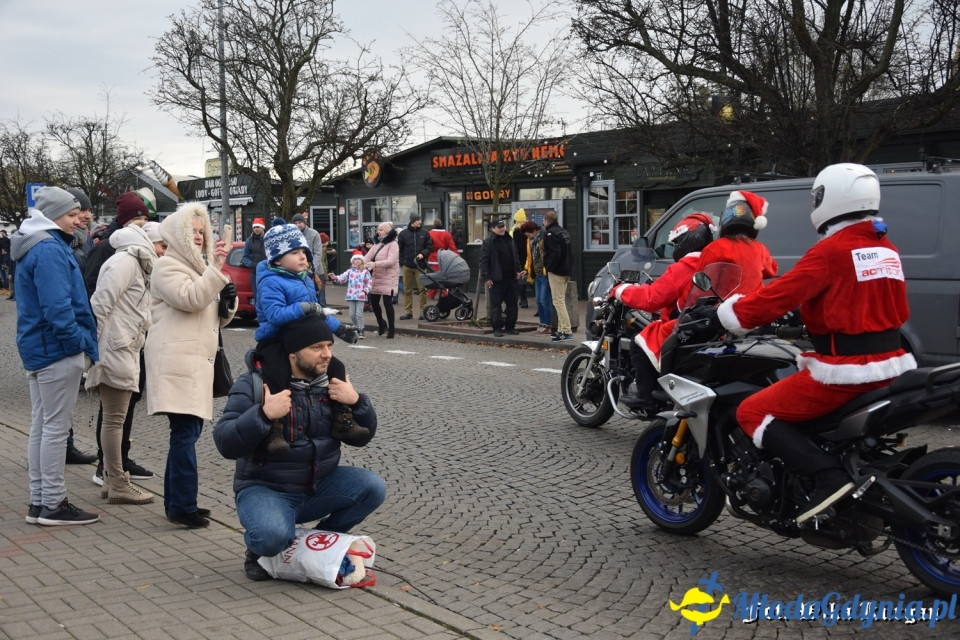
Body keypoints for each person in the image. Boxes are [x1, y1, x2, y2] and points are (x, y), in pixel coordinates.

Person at [713, 163, 916, 523]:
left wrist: (732, 314)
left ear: (828, 199)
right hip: (892, 363)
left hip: (845, 371)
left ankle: (827, 478)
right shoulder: (887, 248)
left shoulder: (831, 251)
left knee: (752, 411)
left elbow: (779, 295)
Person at [213, 315, 385, 582]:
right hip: (267, 489)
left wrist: (358, 402)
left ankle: (319, 538)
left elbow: (363, 437)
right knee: (271, 537)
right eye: (316, 348)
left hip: (318, 486)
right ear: (293, 353)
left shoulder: (332, 383)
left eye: (329, 346)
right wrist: (263, 415)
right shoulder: (255, 385)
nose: (326, 354)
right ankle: (259, 549)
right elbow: (224, 441)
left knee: (372, 487)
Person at [144, 203, 236, 529]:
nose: (198, 237)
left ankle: (179, 502)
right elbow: (191, 299)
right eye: (192, 232)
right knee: (185, 433)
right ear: (178, 235)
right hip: (176, 362)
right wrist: (216, 271)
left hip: (193, 363)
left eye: (201, 232)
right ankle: (182, 506)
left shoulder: (198, 268)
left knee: (187, 432)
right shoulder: (167, 266)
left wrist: (228, 302)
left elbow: (211, 316)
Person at [14, 186, 100, 525]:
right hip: (56, 349)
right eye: (70, 214)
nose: (77, 219)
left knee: (43, 425)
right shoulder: (49, 249)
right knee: (54, 428)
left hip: (41, 347)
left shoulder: (34, 245)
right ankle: (52, 503)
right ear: (51, 216)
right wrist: (78, 341)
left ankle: (40, 501)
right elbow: (57, 308)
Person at [253, 222, 357, 453]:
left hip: (302, 340)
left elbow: (317, 313)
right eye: (295, 252)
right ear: (277, 259)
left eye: (303, 253)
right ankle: (274, 429)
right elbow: (275, 316)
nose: (302, 257)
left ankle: (342, 418)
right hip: (275, 339)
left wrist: (340, 329)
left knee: (336, 367)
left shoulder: (306, 279)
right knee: (277, 373)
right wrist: (303, 308)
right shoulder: (270, 281)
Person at [610, 213, 716, 413]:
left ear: (688, 240)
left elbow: (651, 299)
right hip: (708, 324)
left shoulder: (685, 266)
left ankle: (646, 398)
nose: (676, 247)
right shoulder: (712, 263)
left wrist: (621, 290)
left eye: (678, 242)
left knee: (640, 341)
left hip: (683, 326)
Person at [86, 193, 157, 481]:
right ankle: (108, 467)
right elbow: (97, 297)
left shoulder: (139, 253)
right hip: (117, 342)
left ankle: (120, 459)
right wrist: (94, 349)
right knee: (114, 410)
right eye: (141, 219)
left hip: (131, 339)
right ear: (129, 219)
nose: (145, 226)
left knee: (127, 404)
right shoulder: (115, 253)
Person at [695, 190, 778, 291]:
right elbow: (772, 271)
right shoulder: (761, 249)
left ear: (725, 217)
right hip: (754, 303)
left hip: (726, 304)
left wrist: (680, 305)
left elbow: (699, 283)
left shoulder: (715, 247)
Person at [83, 191, 152, 298]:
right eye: (136, 219)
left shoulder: (147, 244)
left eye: (146, 219)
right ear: (123, 220)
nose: (142, 223)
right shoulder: (107, 246)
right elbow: (92, 283)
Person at [479, 218, 526, 337]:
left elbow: (515, 256)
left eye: (503, 226)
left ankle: (510, 326)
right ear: (492, 229)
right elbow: (484, 261)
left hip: (511, 278)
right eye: (499, 227)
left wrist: (518, 270)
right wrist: (487, 277)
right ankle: (497, 328)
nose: (502, 229)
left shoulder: (509, 239)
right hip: (496, 279)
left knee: (512, 304)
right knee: (496, 305)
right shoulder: (489, 242)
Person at [542, 210, 574, 342]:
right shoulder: (563, 232)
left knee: (558, 302)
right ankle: (561, 330)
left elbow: (555, 253)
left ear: (546, 221)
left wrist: (549, 267)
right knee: (560, 301)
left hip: (557, 272)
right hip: (567, 270)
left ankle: (566, 330)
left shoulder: (550, 233)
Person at [364, 222, 400, 338]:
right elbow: (368, 257)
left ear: (387, 231)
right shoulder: (377, 244)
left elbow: (391, 261)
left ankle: (392, 328)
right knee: (374, 303)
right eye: (378, 229)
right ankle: (381, 323)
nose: (378, 232)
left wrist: (375, 264)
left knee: (387, 303)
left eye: (381, 230)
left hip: (389, 277)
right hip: (377, 277)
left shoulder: (393, 244)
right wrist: (357, 263)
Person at [397, 212, 432, 320]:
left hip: (420, 266)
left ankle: (423, 311)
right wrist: (402, 262)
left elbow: (429, 246)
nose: (420, 222)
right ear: (413, 221)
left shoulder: (425, 233)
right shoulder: (403, 234)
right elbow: (399, 249)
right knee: (408, 290)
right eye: (418, 220)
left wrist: (423, 254)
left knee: (423, 289)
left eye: (420, 220)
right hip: (407, 265)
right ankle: (408, 312)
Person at [329, 254, 372, 338]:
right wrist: (335, 278)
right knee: (352, 314)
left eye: (359, 259)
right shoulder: (349, 271)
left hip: (361, 296)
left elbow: (369, 283)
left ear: (362, 261)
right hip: (351, 295)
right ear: (352, 261)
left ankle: (361, 329)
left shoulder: (365, 271)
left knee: (359, 313)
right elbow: (342, 278)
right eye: (355, 259)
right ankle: (355, 328)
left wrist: (365, 291)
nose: (357, 260)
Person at [520, 221, 552, 334]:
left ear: (534, 231)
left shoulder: (543, 238)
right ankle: (542, 323)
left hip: (544, 273)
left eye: (529, 235)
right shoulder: (530, 241)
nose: (528, 237)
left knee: (544, 300)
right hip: (536, 274)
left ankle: (548, 325)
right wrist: (526, 269)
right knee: (538, 301)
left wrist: (546, 270)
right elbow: (530, 258)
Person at [291, 213, 326, 306]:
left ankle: (324, 319)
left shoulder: (314, 234)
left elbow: (318, 253)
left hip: (316, 271)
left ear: (305, 222)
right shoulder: (292, 236)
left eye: (300, 222)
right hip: (299, 271)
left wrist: (311, 269)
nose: (298, 225)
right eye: (295, 223)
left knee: (320, 299)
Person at [426, 218, 457, 300]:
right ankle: (445, 292)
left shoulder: (429, 233)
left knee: (435, 276)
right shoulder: (447, 234)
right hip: (444, 256)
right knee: (443, 276)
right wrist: (457, 256)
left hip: (433, 257)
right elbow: (452, 246)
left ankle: (433, 294)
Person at [240, 218, 267, 303]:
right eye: (254, 227)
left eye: (258, 227)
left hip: (268, 272)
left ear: (263, 227)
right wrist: (252, 264)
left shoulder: (269, 239)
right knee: (258, 298)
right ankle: (260, 315)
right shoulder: (249, 241)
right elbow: (245, 257)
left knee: (268, 296)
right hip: (255, 274)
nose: (256, 229)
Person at [510, 209, 530, 309]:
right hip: (527, 258)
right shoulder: (527, 231)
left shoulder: (515, 231)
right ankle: (523, 300)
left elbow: (514, 247)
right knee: (527, 279)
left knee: (520, 279)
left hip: (518, 259)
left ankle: (523, 300)